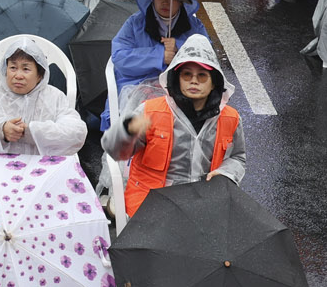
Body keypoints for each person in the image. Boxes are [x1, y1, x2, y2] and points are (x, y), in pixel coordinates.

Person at [103, 36, 245, 216]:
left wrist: (226, 173)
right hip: (152, 206)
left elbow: (238, 157)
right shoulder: (150, 111)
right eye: (187, 74)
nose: (194, 81)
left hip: (204, 203)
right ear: (177, 79)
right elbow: (115, 151)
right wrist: (126, 132)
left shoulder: (231, 118)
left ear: (214, 83)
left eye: (202, 75)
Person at [0, 42, 85, 158]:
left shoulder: (54, 97)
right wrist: (0, 131)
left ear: (40, 75)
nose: (18, 75)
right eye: (13, 67)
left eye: (26, 69)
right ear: (5, 70)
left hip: (43, 170)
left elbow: (76, 133)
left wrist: (32, 132)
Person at [109, 0, 199, 127]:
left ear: (182, 1)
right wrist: (159, 56)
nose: (165, 2)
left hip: (180, 86)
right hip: (137, 86)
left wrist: (180, 49)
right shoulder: (134, 23)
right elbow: (119, 57)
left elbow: (208, 59)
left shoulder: (194, 27)